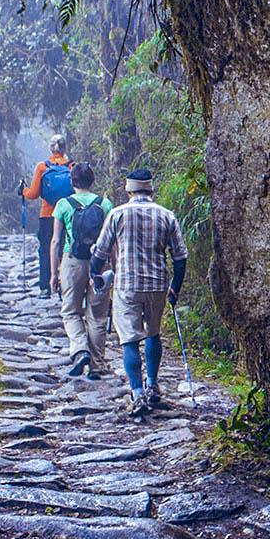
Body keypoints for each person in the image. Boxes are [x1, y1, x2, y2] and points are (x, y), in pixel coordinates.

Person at [88, 168, 187, 412]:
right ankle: (153, 384)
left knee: (129, 340)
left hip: (127, 286)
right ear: (151, 189)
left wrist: (94, 274)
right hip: (157, 284)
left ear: (128, 189)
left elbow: (101, 251)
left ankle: (137, 393)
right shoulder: (166, 216)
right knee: (153, 334)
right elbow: (180, 256)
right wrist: (175, 286)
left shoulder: (117, 214)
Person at [49, 161, 113, 378]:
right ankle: (97, 365)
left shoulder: (63, 205)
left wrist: (53, 272)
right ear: (92, 180)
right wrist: (114, 266)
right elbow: (110, 240)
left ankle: (80, 350)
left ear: (72, 182)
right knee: (97, 314)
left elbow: (56, 241)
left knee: (70, 311)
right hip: (99, 262)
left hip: (72, 261)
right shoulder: (104, 204)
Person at [21, 135, 73, 296]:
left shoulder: (42, 167)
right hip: (67, 214)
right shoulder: (72, 166)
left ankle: (45, 287)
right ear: (64, 148)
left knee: (45, 249)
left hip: (47, 215)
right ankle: (64, 286)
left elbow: (33, 194)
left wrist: (22, 189)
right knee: (65, 249)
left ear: (51, 148)